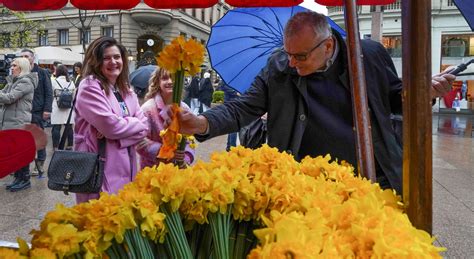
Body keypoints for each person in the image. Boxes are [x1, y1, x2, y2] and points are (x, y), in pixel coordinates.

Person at [167, 11, 455, 195]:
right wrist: (202, 123)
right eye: (289, 53)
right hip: (302, 182)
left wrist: (422, 94)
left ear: (327, 45)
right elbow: (244, 107)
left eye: (300, 56)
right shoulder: (279, 64)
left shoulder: (370, 54)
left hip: (370, 180)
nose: (291, 63)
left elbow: (395, 100)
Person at [74, 36, 148, 203]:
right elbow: (112, 127)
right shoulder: (89, 86)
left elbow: (145, 127)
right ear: (96, 62)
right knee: (101, 221)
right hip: (99, 169)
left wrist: (118, 133)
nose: (113, 62)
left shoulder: (125, 88)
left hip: (126, 167)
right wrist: (130, 126)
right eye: (106, 58)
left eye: (116, 57)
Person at [136, 67, 195, 169]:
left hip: (178, 172)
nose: (170, 82)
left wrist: (185, 157)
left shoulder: (185, 108)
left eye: (173, 78)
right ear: (158, 82)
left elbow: (191, 139)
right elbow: (139, 140)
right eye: (165, 78)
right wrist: (165, 151)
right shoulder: (148, 109)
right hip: (153, 170)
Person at [0, 57, 38, 191]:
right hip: (9, 122)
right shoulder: (12, 82)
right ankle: (18, 178)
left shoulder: (26, 81)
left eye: (14, 65)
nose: (12, 67)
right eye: (11, 65)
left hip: (18, 121)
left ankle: (25, 179)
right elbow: (3, 97)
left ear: (22, 67)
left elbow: (9, 98)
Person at [20, 49, 53, 176]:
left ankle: (39, 164)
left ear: (33, 58)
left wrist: (47, 109)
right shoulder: (20, 72)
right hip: (23, 111)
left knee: (38, 138)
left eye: (26, 56)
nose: (24, 58)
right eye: (22, 56)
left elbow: (48, 92)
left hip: (37, 111)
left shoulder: (42, 72)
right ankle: (23, 166)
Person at [51, 65, 76, 151]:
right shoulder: (71, 82)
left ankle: (56, 147)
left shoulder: (53, 82)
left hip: (56, 107)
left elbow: (50, 94)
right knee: (69, 127)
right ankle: (70, 145)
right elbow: (74, 96)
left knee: (56, 128)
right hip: (68, 108)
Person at [218, 80, 240, 151]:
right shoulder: (227, 77)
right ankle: (232, 147)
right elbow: (223, 86)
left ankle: (229, 146)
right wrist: (235, 92)